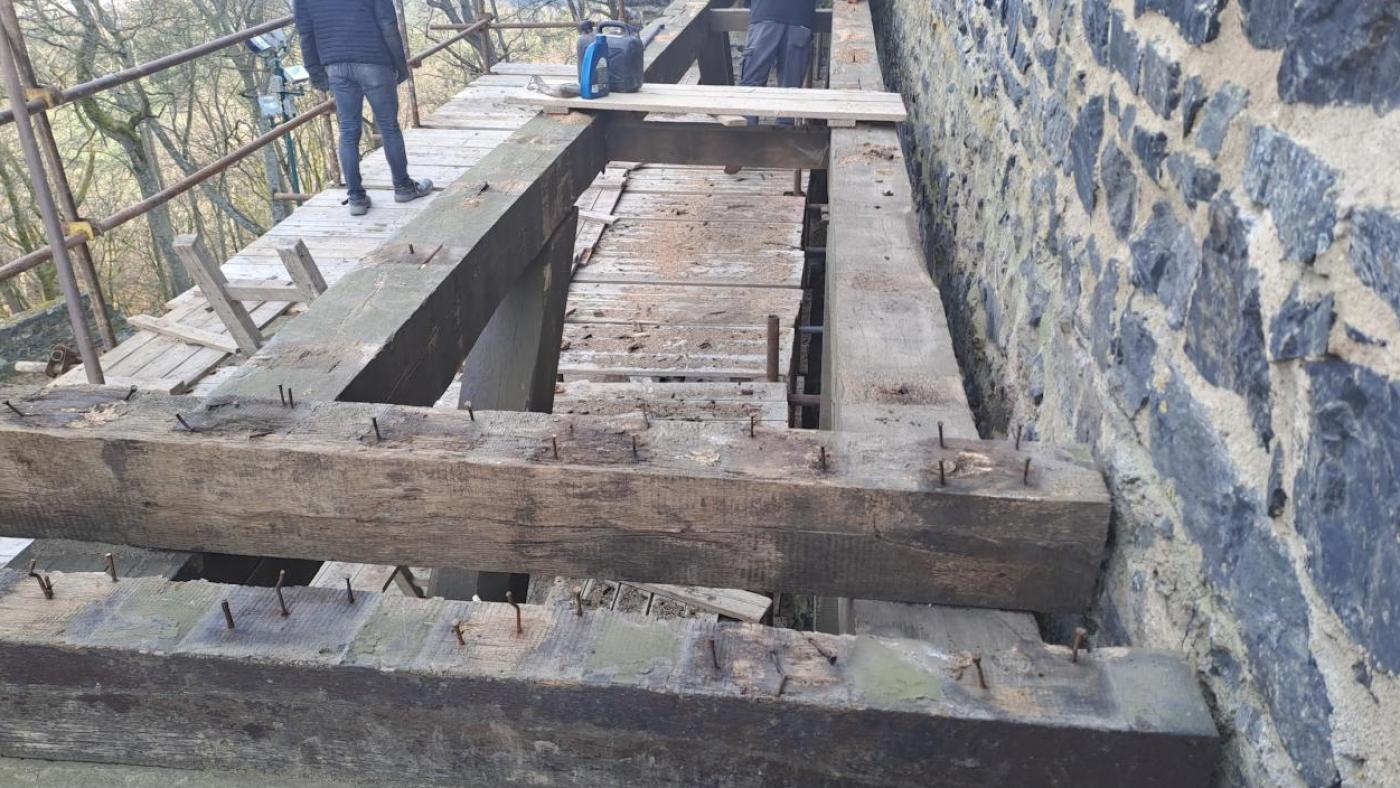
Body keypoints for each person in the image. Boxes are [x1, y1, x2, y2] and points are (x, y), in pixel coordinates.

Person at [295, 0, 432, 216]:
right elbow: (387, 23)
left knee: (348, 131)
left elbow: (305, 33)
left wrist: (315, 72)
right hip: (374, 61)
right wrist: (400, 64)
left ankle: (356, 198)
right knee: (389, 127)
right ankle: (403, 187)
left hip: (335, 65)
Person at [726, 0, 817, 173]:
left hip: (765, 13)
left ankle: (742, 147)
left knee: (751, 86)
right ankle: (782, 148)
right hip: (800, 18)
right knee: (790, 89)